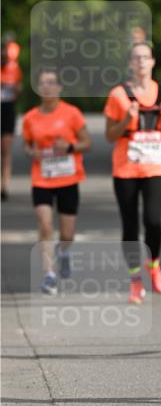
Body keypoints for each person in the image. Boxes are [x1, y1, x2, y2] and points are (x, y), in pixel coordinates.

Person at [104, 42, 161, 303]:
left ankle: (154, 265)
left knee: (154, 221)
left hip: (155, 166)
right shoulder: (118, 95)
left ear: (153, 61)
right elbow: (110, 135)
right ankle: (135, 279)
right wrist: (126, 119)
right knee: (130, 225)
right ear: (130, 64)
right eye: (136, 58)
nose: (141, 62)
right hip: (125, 168)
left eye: (146, 57)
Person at [22, 70, 91, 294]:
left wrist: (69, 147)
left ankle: (64, 252)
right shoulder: (30, 117)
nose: (47, 87)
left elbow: (86, 143)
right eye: (42, 83)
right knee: (45, 226)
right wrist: (32, 152)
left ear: (60, 88)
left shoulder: (72, 114)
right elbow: (27, 145)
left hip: (68, 177)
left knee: (67, 233)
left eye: (51, 83)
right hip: (42, 178)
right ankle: (49, 274)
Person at [1, 36, 23, 201]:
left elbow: (17, 91)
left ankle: (4, 185)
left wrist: (15, 88)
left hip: (8, 108)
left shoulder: (14, 68)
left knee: (6, 149)